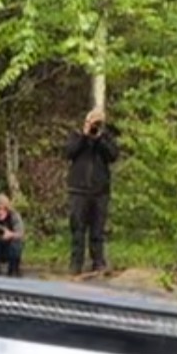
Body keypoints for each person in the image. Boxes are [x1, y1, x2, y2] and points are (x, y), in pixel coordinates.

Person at [64, 106, 120, 274]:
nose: (95, 126)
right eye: (93, 122)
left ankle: (98, 262)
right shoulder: (76, 135)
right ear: (87, 121)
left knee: (98, 230)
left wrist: (99, 138)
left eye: (98, 123)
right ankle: (76, 264)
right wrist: (85, 135)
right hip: (78, 190)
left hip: (100, 191)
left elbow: (113, 155)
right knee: (78, 229)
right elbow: (68, 152)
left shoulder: (106, 137)